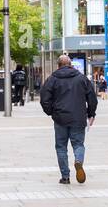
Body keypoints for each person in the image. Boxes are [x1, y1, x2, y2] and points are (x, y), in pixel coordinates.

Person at [39, 54, 97, 185]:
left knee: (61, 147)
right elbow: (92, 97)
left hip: (60, 118)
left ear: (58, 65)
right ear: (70, 64)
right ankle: (78, 161)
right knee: (78, 144)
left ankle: (65, 177)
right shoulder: (81, 78)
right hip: (78, 117)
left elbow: (44, 98)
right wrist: (91, 113)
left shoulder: (52, 79)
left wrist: (50, 112)